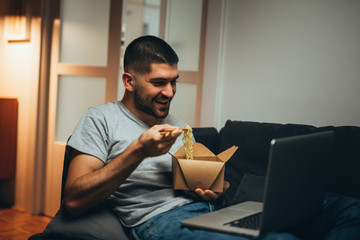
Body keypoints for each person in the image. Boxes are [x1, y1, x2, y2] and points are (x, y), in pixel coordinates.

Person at [63, 35, 360, 240]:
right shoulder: (100, 119)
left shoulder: (180, 127)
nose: (170, 92)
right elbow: (74, 199)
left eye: (173, 82)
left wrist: (213, 190)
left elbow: (207, 184)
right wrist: (138, 151)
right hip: (160, 221)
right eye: (159, 83)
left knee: (348, 208)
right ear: (129, 81)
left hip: (214, 211)